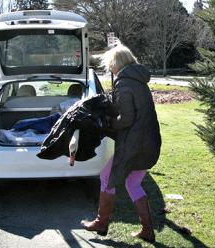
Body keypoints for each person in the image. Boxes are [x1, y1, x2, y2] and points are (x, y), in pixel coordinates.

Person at [80, 44, 161, 243]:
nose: (110, 69)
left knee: (107, 177)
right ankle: (147, 230)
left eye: (110, 65)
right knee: (133, 183)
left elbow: (126, 119)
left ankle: (101, 222)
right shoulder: (138, 80)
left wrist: (107, 124)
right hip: (149, 142)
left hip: (134, 145)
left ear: (116, 63)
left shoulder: (124, 83)